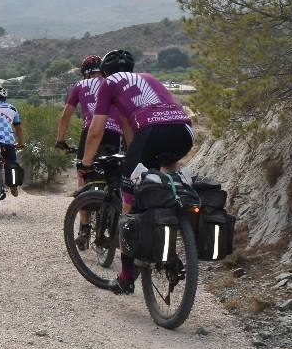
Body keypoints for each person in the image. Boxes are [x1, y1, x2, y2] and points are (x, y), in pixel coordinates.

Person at [81, 49, 193, 295]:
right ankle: (171, 232)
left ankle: (126, 277)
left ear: (105, 72)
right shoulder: (149, 78)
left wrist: (86, 163)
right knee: (162, 183)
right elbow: (127, 123)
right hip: (184, 132)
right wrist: (136, 157)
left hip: (152, 132)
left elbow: (96, 130)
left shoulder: (107, 83)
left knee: (128, 204)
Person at [56, 54, 125, 247]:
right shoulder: (113, 83)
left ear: (85, 73)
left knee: (83, 175)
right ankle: (116, 225)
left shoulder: (80, 86)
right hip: (116, 133)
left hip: (91, 131)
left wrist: (61, 140)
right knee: (115, 177)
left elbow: (65, 116)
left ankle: (84, 229)